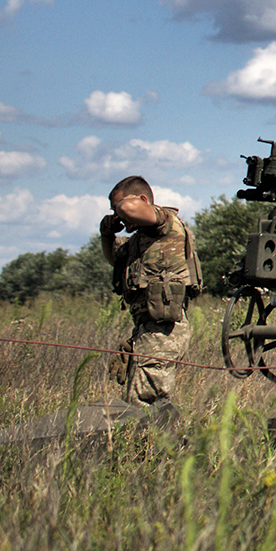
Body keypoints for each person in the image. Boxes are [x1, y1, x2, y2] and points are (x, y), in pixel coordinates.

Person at [98, 175, 201, 409]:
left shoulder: (164, 222)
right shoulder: (140, 241)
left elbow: (129, 206)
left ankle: (160, 445)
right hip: (148, 331)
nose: (119, 217)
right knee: (142, 404)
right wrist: (107, 234)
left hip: (163, 331)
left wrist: (120, 208)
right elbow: (114, 258)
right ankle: (161, 444)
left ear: (143, 200)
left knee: (145, 406)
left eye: (118, 210)